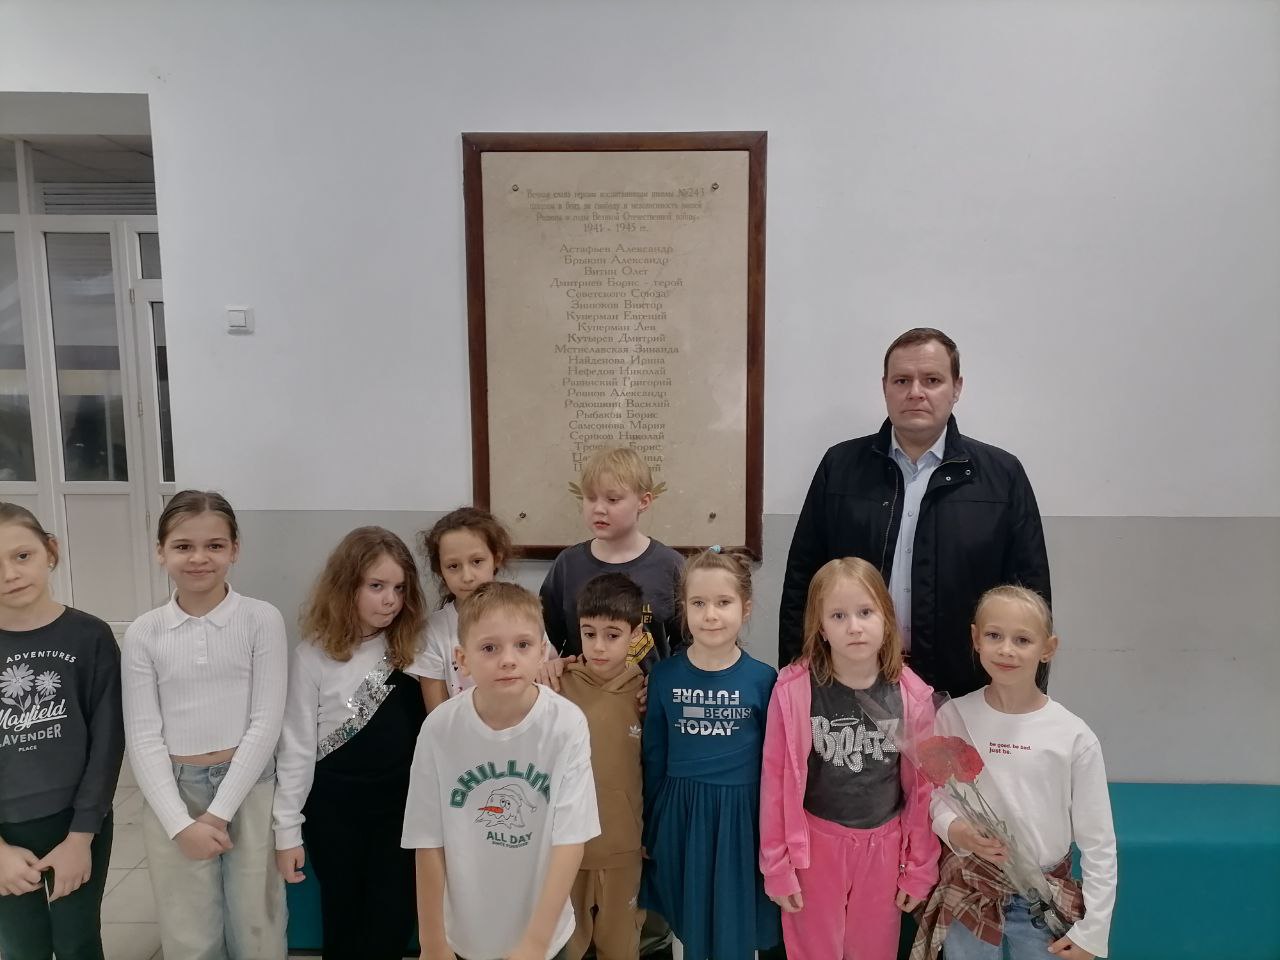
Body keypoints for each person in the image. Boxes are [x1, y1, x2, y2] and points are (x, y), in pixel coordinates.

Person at [779, 328, 1052, 696]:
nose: (915, 392)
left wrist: (1024, 697)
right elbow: (803, 582)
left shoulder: (1002, 477)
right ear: (885, 387)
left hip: (966, 688)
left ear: (957, 387)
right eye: (902, 380)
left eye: (932, 380)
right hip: (852, 682)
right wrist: (796, 682)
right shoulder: (839, 467)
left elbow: (1031, 598)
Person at [121, 491, 288, 960]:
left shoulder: (261, 619)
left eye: (214, 545)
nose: (199, 558)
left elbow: (265, 722)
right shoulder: (144, 632)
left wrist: (217, 814)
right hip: (174, 792)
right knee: (189, 932)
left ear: (235, 549)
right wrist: (180, 823)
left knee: (257, 925)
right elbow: (143, 735)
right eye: (183, 546)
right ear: (161, 552)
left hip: (249, 787)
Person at [912, 586, 1117, 960]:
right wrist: (954, 829)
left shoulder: (1073, 736)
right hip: (971, 888)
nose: (1006, 649)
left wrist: (1094, 931)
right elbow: (936, 796)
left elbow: (1098, 840)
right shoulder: (953, 715)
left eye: (1022, 640)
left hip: (1043, 897)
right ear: (976, 639)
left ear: (1048, 648)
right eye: (994, 635)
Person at [402, 581, 600, 960]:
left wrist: (536, 942)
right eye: (490, 648)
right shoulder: (440, 728)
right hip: (464, 937)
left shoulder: (566, 724)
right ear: (462, 659)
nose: (508, 659)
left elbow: (571, 839)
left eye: (522, 645)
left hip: (544, 935)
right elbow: (427, 840)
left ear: (542, 651)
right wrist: (432, 942)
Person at [760, 557, 939, 960]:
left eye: (865, 612)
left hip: (884, 851)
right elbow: (775, 784)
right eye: (838, 616)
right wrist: (777, 867)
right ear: (821, 627)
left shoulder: (911, 696)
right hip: (814, 849)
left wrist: (919, 868)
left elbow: (923, 791)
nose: (854, 626)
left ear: (886, 619)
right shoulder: (794, 691)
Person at [273, 527, 429, 959]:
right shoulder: (312, 655)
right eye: (376, 586)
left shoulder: (417, 648)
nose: (390, 600)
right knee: (343, 915)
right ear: (346, 587)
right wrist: (286, 831)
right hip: (333, 812)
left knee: (393, 916)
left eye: (399, 588)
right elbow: (297, 748)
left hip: (401, 808)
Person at [641, 548, 781, 960]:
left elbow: (775, 767)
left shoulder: (764, 680)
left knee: (738, 921)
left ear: (745, 608)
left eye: (723, 602)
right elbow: (653, 758)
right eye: (699, 603)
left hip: (743, 818)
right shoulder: (664, 677)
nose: (711, 615)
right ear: (684, 609)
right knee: (689, 921)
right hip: (681, 817)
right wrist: (649, 828)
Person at [0, 502, 124, 960]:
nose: (9, 574)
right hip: (4, 831)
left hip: (76, 823)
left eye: (22, 555)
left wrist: (81, 837)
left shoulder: (90, 637)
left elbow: (107, 744)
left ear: (50, 550)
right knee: (21, 948)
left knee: (78, 942)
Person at [559, 573, 647, 960]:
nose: (598, 646)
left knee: (620, 947)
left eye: (612, 635)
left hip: (624, 849)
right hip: (566, 850)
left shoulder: (648, 693)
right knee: (564, 947)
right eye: (589, 633)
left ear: (635, 634)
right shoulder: (556, 686)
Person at [540, 447, 683, 672]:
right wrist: (552, 665)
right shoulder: (567, 564)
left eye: (612, 499)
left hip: (651, 692)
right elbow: (546, 639)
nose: (598, 509)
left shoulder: (670, 565)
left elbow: (688, 643)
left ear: (644, 501)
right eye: (590, 498)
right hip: (581, 691)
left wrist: (667, 679)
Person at [416, 507, 549, 711]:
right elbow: (437, 714)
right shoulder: (433, 631)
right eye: (453, 566)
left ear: (496, 558)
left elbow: (544, 688)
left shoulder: (525, 616)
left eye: (477, 561)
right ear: (440, 570)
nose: (467, 576)